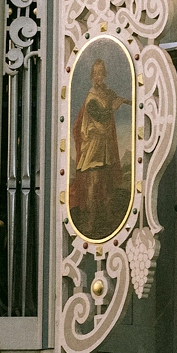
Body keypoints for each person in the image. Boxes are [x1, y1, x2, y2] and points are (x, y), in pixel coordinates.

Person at [68, 57, 130, 238]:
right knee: (93, 181)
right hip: (93, 144)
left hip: (104, 145)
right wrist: (114, 107)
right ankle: (90, 219)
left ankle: (108, 216)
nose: (98, 77)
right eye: (95, 74)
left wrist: (124, 101)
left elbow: (111, 98)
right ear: (91, 76)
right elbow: (101, 117)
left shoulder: (105, 92)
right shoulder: (91, 98)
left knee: (106, 180)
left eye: (101, 73)